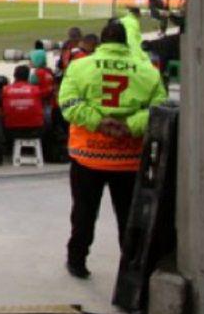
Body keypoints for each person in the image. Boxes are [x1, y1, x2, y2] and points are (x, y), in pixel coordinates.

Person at [59, 20, 167, 279]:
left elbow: (68, 104)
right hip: (128, 160)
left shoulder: (79, 66)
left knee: (83, 214)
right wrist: (130, 126)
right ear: (125, 42)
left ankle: (77, 262)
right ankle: (130, 270)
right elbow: (159, 110)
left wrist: (98, 122)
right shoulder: (147, 71)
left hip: (88, 157)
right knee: (129, 220)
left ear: (101, 43)